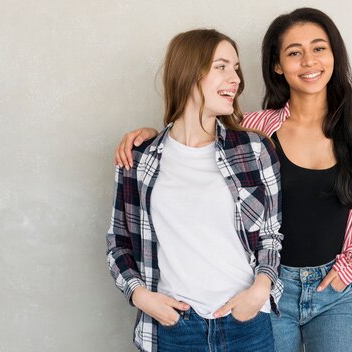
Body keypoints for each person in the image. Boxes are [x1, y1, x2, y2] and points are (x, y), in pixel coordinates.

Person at [113, 8, 352, 352]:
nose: (309, 61)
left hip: (335, 290)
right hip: (270, 285)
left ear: (334, 55)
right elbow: (197, 134)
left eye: (319, 48)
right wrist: (146, 138)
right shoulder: (255, 129)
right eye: (294, 52)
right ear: (278, 65)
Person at [106, 29, 283, 352]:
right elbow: (118, 241)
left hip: (245, 323)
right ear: (189, 72)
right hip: (175, 328)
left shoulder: (255, 150)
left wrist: (260, 289)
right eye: (222, 66)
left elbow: (271, 234)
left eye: (236, 68)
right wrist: (140, 296)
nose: (236, 79)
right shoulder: (140, 158)